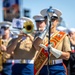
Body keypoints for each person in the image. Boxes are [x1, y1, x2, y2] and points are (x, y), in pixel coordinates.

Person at [34, 8, 71, 75]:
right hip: (43, 67)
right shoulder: (41, 36)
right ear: (45, 21)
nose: (50, 21)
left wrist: (54, 51)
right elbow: (35, 45)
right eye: (47, 19)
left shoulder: (63, 36)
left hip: (57, 67)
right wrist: (46, 29)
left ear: (57, 21)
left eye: (53, 20)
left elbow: (67, 56)